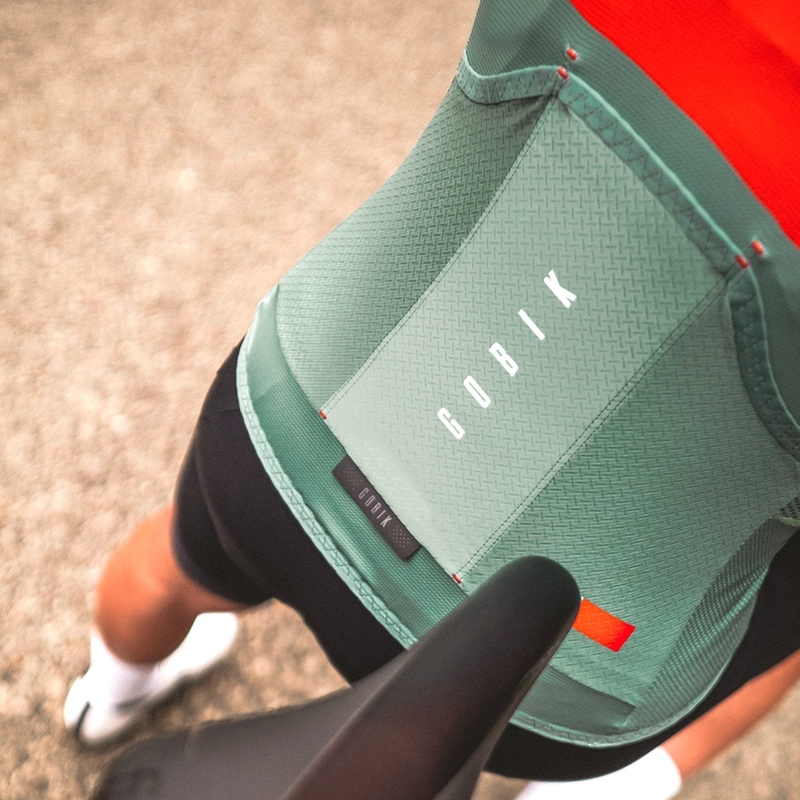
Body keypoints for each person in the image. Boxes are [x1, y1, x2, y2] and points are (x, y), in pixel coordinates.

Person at [64, 1, 800, 798]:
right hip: (552, 673)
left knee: (180, 559)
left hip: (290, 432)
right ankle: (613, 787)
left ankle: (110, 697)